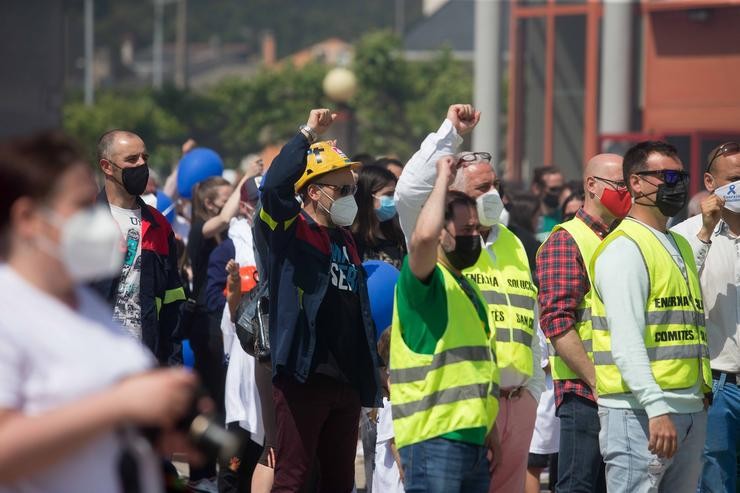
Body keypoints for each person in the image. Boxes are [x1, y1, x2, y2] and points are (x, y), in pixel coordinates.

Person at [0, 131, 197, 493]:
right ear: (28, 218)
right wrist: (121, 406)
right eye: (80, 208)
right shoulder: (7, 310)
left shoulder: (83, 306)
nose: (93, 220)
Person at [395, 104, 544, 492]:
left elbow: (528, 325)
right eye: (481, 189)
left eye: (496, 186)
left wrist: (527, 393)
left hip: (491, 415)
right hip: (437, 428)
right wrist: (449, 141)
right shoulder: (428, 265)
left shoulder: (510, 246)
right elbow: (412, 197)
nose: (492, 196)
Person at [258, 109, 383, 492]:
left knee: (340, 481)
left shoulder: (346, 239)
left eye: (352, 190)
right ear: (313, 191)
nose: (350, 198)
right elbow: (274, 188)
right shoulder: (290, 231)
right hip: (304, 376)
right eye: (341, 190)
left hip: (345, 380)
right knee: (293, 477)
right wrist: (308, 133)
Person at [590, 141, 711, 493]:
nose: (676, 184)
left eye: (681, 176)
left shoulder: (678, 243)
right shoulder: (624, 248)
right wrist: (656, 408)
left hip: (687, 407)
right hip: (640, 412)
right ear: (636, 183)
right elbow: (626, 342)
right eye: (665, 176)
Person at [391, 152, 500, 493]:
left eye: (475, 229)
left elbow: (475, 371)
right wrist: (442, 178)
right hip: (434, 437)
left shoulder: (467, 288)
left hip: (471, 438)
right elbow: (421, 240)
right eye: (464, 229)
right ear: (440, 232)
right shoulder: (425, 282)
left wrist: (489, 429)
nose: (473, 236)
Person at [536, 153, 629, 493]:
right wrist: (594, 380)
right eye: (619, 184)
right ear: (591, 185)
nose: (626, 191)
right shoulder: (566, 239)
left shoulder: (626, 237)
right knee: (579, 485)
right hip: (584, 392)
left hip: (624, 389)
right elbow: (557, 321)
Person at [671, 141, 740, 492]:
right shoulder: (685, 234)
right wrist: (706, 233)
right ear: (711, 182)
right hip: (717, 385)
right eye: (736, 179)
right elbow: (674, 292)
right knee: (714, 480)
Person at [92, 129, 186, 366]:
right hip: (92, 357)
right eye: (132, 159)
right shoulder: (84, 220)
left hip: (143, 359)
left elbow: (172, 301)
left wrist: (173, 365)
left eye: (145, 157)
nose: (142, 164)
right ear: (107, 166)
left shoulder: (159, 225)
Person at [204, 177, 264, 493]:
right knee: (237, 457)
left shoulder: (283, 241)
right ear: (245, 205)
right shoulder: (230, 246)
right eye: (258, 201)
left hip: (273, 364)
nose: (263, 207)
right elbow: (212, 299)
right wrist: (240, 300)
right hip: (243, 361)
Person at [351, 164, 407, 269]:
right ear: (367, 196)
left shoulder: (398, 236)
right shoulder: (352, 240)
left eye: (394, 194)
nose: (393, 199)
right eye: (388, 194)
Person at [526, 328, 559, 493]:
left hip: (551, 405)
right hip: (543, 403)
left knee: (538, 467)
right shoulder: (538, 325)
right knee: (533, 464)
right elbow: (540, 365)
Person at [373, 327, 405, 493]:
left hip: (382, 476)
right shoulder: (392, 399)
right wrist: (403, 467)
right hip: (393, 480)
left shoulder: (381, 399)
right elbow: (394, 442)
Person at [531, 166, 565, 242]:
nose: (558, 193)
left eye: (561, 188)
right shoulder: (528, 219)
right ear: (537, 188)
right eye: (553, 189)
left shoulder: (566, 217)